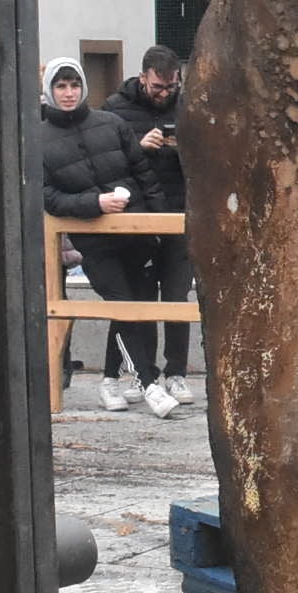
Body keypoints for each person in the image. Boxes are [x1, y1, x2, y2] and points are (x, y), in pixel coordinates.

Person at [37, 57, 168, 413]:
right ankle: (148, 381)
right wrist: (94, 203)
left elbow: (144, 174)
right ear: (49, 91)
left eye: (74, 85)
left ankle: (110, 380)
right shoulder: (37, 138)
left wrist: (156, 225)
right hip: (94, 243)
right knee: (122, 304)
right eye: (61, 86)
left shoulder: (112, 123)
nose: (68, 93)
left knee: (135, 307)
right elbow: (47, 196)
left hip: (137, 235)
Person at [103, 45, 196, 403]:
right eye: (158, 86)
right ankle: (145, 372)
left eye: (171, 87)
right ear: (142, 78)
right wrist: (139, 147)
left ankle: (177, 372)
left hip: (178, 213)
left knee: (176, 297)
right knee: (140, 299)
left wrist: (181, 145)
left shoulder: (186, 106)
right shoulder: (115, 109)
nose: (164, 94)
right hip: (136, 219)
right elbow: (107, 164)